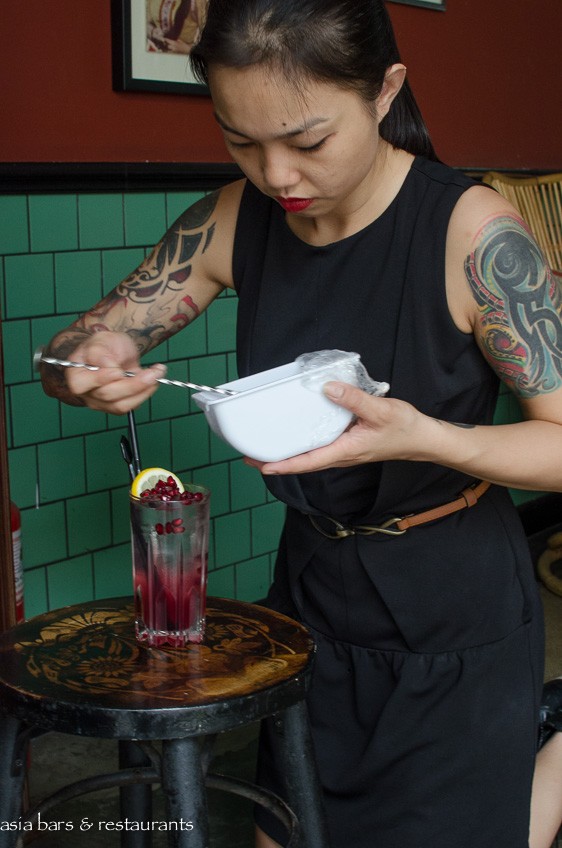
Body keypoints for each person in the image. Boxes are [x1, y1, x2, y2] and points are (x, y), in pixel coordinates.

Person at [39, 0, 562, 845]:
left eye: (308, 141)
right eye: (240, 141)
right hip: (310, 596)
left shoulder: (473, 234)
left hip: (451, 602)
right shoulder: (234, 218)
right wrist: (84, 363)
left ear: (385, 90)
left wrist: (428, 438)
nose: (277, 174)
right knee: (288, 827)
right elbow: (68, 352)